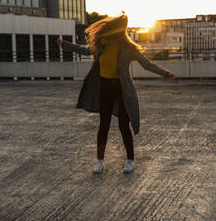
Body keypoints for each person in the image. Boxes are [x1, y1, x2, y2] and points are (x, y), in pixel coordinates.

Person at [57, 14, 175, 174]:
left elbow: (147, 64)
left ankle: (130, 160)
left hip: (121, 89)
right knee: (103, 125)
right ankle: (99, 161)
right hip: (105, 89)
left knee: (123, 126)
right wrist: (64, 44)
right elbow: (84, 50)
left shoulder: (128, 49)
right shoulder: (102, 46)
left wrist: (165, 73)